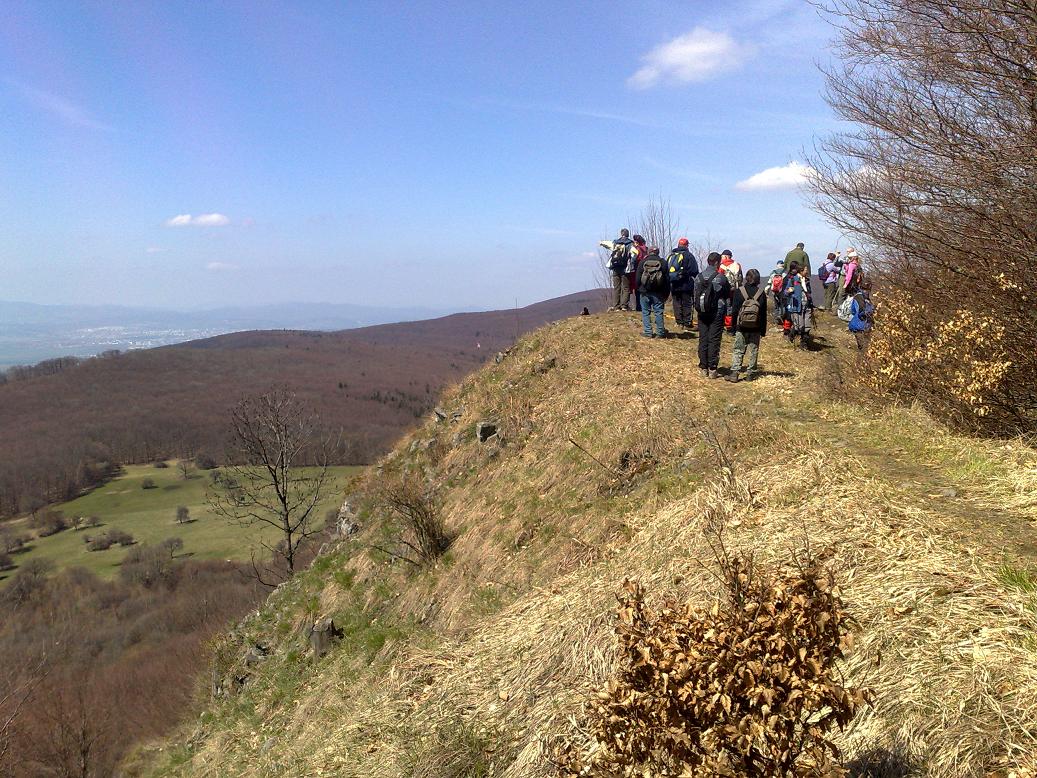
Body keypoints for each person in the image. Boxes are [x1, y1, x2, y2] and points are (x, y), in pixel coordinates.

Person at [725, 268, 768, 382]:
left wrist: (733, 327)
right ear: (758, 280)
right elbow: (763, 314)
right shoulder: (761, 293)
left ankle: (735, 373)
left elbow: (734, 311)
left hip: (741, 326)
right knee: (753, 350)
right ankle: (750, 374)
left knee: (738, 349)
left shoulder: (739, 291)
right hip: (756, 327)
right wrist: (763, 330)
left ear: (747, 278)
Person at [693, 252, 731, 378]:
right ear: (717, 263)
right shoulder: (721, 278)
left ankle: (703, 367)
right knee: (714, 339)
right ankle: (713, 368)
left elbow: (695, 294)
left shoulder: (698, 277)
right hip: (717, 311)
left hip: (702, 310)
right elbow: (727, 294)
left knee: (703, 338)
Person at [666, 238, 698, 330]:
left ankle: (679, 322)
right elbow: (694, 270)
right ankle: (687, 322)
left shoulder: (671, 255)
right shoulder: (689, 256)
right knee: (687, 303)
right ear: (687, 245)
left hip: (674, 283)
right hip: (686, 284)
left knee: (676, 303)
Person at [598, 229, 634, 311]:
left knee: (616, 287)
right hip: (625, 269)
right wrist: (632, 263)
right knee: (626, 287)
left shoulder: (615, 242)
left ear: (621, 234)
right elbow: (635, 253)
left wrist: (601, 243)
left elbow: (607, 244)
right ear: (628, 234)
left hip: (615, 268)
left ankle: (616, 306)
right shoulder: (630, 244)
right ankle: (624, 306)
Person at [780, 261, 813, 349]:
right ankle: (791, 334)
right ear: (801, 271)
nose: (807, 271)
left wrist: (810, 302)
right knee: (799, 326)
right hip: (797, 306)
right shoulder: (793, 280)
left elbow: (809, 292)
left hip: (807, 306)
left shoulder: (806, 280)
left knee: (807, 326)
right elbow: (785, 292)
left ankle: (804, 343)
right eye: (805, 270)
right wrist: (789, 291)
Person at [638, 246, 670, 338]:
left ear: (648, 252)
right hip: (658, 292)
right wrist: (666, 293)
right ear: (658, 252)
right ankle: (660, 333)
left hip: (645, 292)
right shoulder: (663, 262)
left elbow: (637, 278)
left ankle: (648, 332)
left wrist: (640, 289)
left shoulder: (643, 262)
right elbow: (667, 280)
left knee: (645, 312)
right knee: (658, 312)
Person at [848, 279, 874, 350]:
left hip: (855, 325)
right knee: (865, 348)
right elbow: (865, 313)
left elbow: (853, 311)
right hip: (864, 326)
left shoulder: (856, 297)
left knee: (862, 347)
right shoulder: (868, 300)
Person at [630, 234, 648, 312]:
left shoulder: (636, 249)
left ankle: (639, 306)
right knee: (645, 289)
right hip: (645, 271)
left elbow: (634, 260)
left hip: (637, 271)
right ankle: (646, 306)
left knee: (637, 289)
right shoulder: (646, 249)